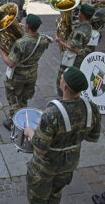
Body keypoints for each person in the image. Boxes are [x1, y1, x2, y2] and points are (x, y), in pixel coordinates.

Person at [25, 67, 101, 204]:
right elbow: (94, 138)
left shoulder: (52, 113)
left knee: (37, 199)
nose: (60, 78)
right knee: (55, 194)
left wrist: (29, 132)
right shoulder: (92, 108)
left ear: (64, 86)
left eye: (61, 78)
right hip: (68, 165)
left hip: (45, 169)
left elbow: (41, 149)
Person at [0, 14, 51, 130]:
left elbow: (10, 63)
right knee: (24, 99)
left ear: (27, 25)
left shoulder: (20, 43)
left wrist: (1, 51)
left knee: (13, 99)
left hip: (18, 76)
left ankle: (14, 123)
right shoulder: (44, 40)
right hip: (32, 74)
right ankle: (24, 117)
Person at [55, 4, 94, 96]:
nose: (78, 14)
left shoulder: (80, 31)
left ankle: (63, 101)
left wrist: (61, 42)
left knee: (61, 83)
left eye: (79, 12)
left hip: (72, 61)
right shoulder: (89, 27)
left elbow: (75, 49)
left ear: (82, 14)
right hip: (79, 60)